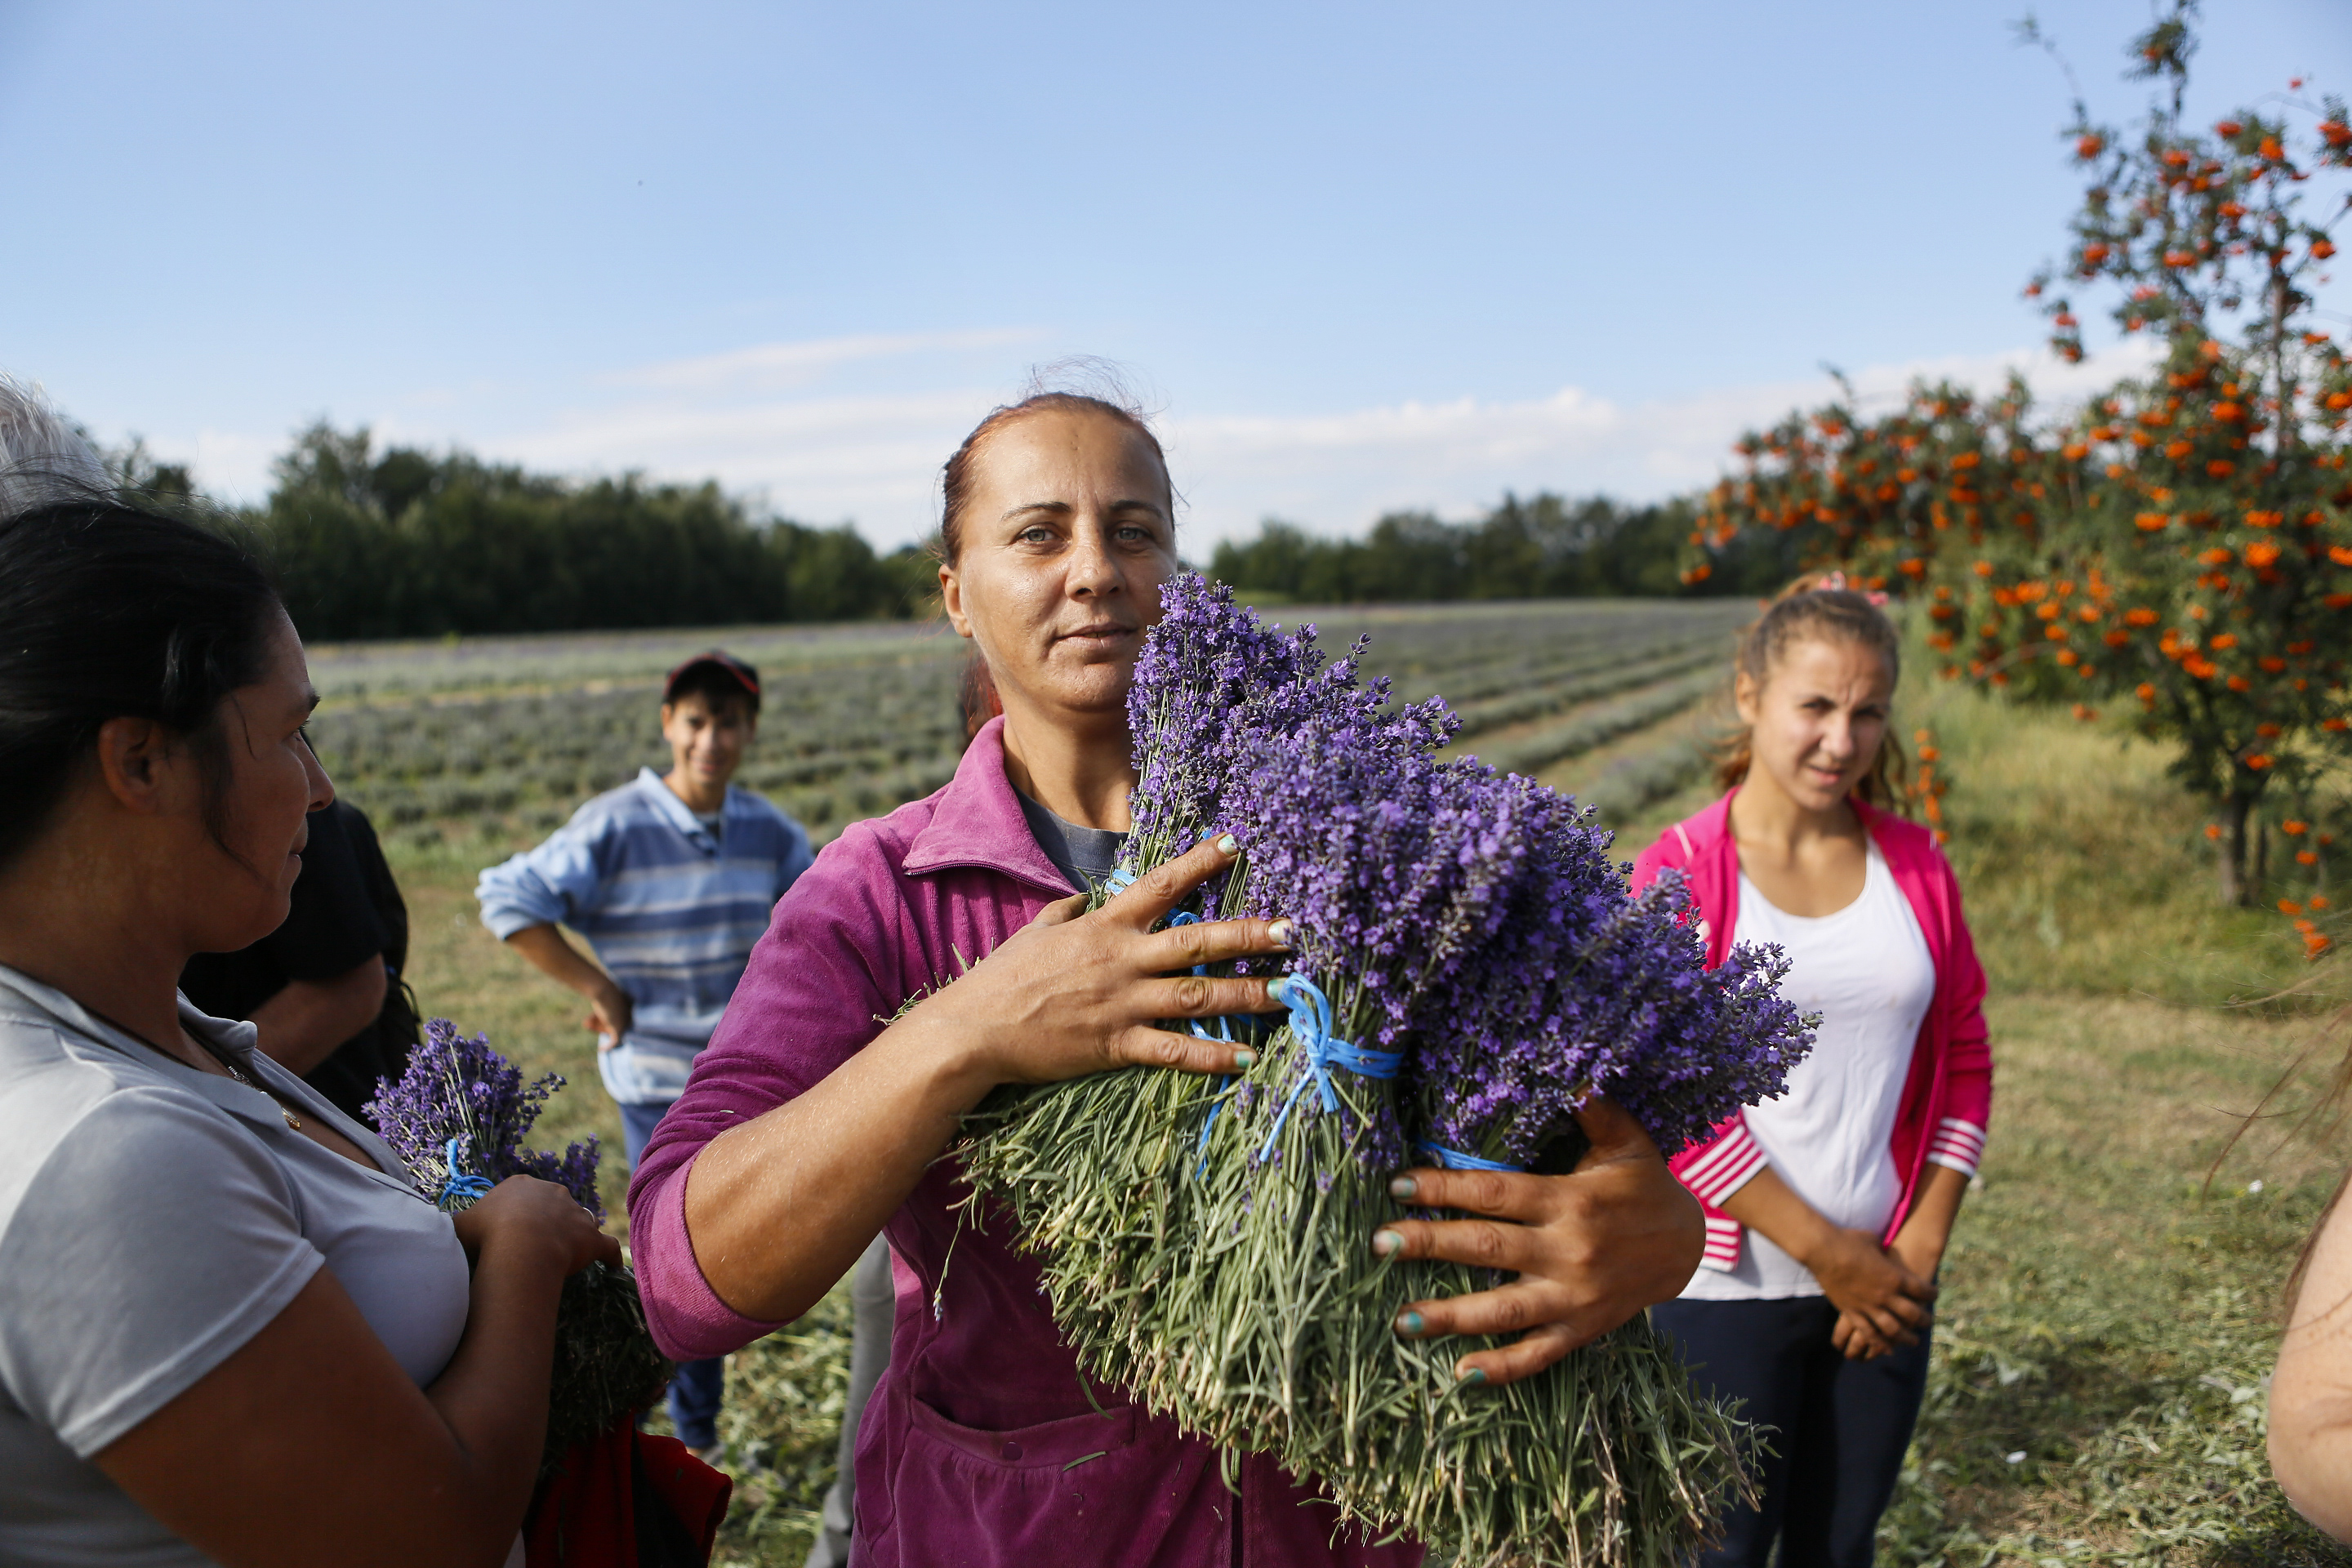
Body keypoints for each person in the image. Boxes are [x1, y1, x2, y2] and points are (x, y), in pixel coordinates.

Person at [626, 385, 1708, 1566]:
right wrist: (962, 1033)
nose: (1094, 570)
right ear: (955, 596)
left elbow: (1578, 1159)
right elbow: (684, 1284)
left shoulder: (1362, 848)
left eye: (1133, 531)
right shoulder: (884, 891)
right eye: (1038, 534)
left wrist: (1659, 1235)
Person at [0, 497, 614, 1566]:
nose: (323, 791)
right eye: (291, 733)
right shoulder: (99, 1157)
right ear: (140, 762)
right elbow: (428, 1540)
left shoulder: (162, 1040)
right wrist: (521, 1246)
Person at [1633, 578, 1993, 1568]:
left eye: (1869, 711)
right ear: (1751, 694)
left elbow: (1964, 1055)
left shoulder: (1918, 867)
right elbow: (1671, 1099)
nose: (1843, 739)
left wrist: (1916, 1245)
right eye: (1818, 707)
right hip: (1721, 1289)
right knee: (1718, 1551)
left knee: (1841, 1546)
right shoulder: (1679, 873)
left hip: (1885, 1283)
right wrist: (1824, 1250)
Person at [476, 652, 814, 1459]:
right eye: (696, 721)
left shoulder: (769, 832)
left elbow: (813, 924)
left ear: (749, 732)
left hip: (748, 1077)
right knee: (680, 1258)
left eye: (728, 723)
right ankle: (684, 1434)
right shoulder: (618, 824)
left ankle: (690, 1422)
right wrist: (597, 986)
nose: (711, 740)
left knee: (736, 1254)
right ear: (669, 725)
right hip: (656, 1082)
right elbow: (505, 897)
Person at [180, 796, 421, 1124]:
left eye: (293, 741)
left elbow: (349, 988)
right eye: (289, 743)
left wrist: (199, 1105)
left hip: (335, 1120)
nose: (322, 787)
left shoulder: (301, 812)